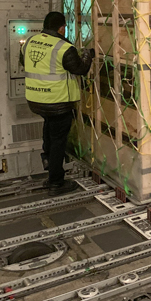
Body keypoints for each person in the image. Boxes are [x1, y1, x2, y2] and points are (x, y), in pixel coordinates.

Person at [21, 12, 93, 196]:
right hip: (58, 102)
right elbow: (80, 69)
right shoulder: (63, 47)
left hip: (36, 100)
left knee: (49, 131)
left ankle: (47, 159)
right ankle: (56, 181)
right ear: (61, 28)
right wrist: (87, 55)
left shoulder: (30, 41)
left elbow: (25, 62)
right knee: (58, 141)